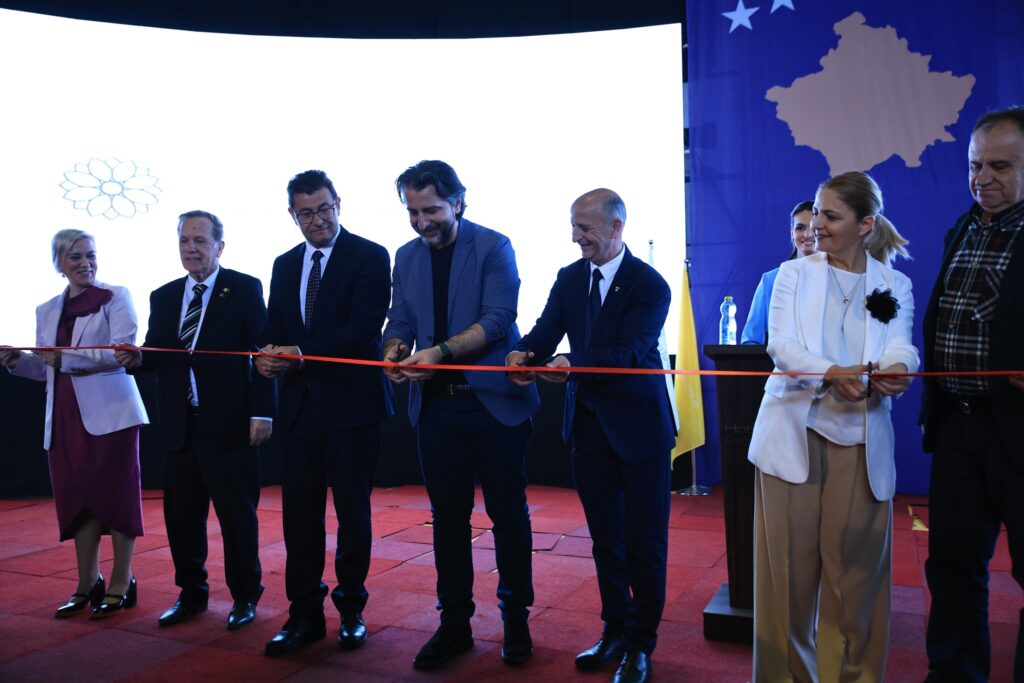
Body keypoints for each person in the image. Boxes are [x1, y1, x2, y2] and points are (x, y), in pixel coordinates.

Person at [747, 171, 918, 682]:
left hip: (861, 445)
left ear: (865, 224)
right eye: (816, 213)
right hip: (790, 439)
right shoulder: (791, 274)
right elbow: (780, 344)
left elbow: (901, 344)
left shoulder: (894, 284)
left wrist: (899, 368)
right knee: (787, 587)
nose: (815, 225)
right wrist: (830, 373)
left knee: (855, 587)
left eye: (830, 216)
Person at [508, 188, 675, 683]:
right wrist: (523, 354)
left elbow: (629, 353)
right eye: (573, 226)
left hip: (640, 432)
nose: (575, 237)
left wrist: (571, 363)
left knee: (645, 543)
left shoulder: (650, 285)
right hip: (588, 430)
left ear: (616, 227)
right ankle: (614, 631)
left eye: (584, 228)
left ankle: (641, 645)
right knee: (606, 540)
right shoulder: (569, 277)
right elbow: (545, 331)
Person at [382, 160, 540, 670]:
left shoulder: (494, 246)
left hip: (493, 406)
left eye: (431, 210)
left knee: (507, 515)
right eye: (412, 212)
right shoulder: (406, 256)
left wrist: (439, 354)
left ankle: (516, 619)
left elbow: (497, 321)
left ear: (458, 202)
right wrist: (393, 349)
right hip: (436, 411)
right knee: (448, 519)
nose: (421, 222)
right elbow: (399, 319)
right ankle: (454, 625)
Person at [114, 210, 274, 631]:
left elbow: (264, 355)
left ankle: (245, 595)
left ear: (220, 246)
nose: (191, 248)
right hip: (180, 425)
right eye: (184, 240)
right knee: (182, 518)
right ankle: (191, 593)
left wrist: (262, 412)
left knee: (237, 518)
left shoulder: (244, 288)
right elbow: (158, 351)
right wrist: (138, 358)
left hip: (230, 424)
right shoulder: (164, 296)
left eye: (200, 241)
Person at [255, 170, 392, 656]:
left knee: (353, 515)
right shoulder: (284, 264)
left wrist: (298, 354)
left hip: (353, 408)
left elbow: (363, 331)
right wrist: (265, 356)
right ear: (293, 215)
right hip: (298, 411)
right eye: (306, 213)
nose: (318, 220)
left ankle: (352, 609)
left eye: (325, 209)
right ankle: (304, 615)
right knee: (299, 519)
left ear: (339, 204)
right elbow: (274, 325)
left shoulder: (370, 256)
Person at [921, 106, 1024, 683]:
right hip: (959, 428)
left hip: (1019, 431)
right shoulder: (961, 228)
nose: (982, 178)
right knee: (954, 567)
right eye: (974, 165)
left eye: (1000, 166)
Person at [0, 229, 148, 618]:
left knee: (116, 496)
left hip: (111, 415)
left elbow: (121, 352)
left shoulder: (116, 296)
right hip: (64, 417)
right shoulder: (46, 309)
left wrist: (64, 358)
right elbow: (47, 369)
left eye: (90, 255)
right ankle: (87, 582)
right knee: (77, 498)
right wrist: (18, 363)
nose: (86, 263)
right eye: (75, 257)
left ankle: (122, 580)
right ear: (59, 264)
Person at [740, 200, 816, 344]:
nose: (807, 234)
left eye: (813, 228)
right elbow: (751, 340)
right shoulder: (770, 281)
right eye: (800, 228)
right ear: (792, 233)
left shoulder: (837, 278)